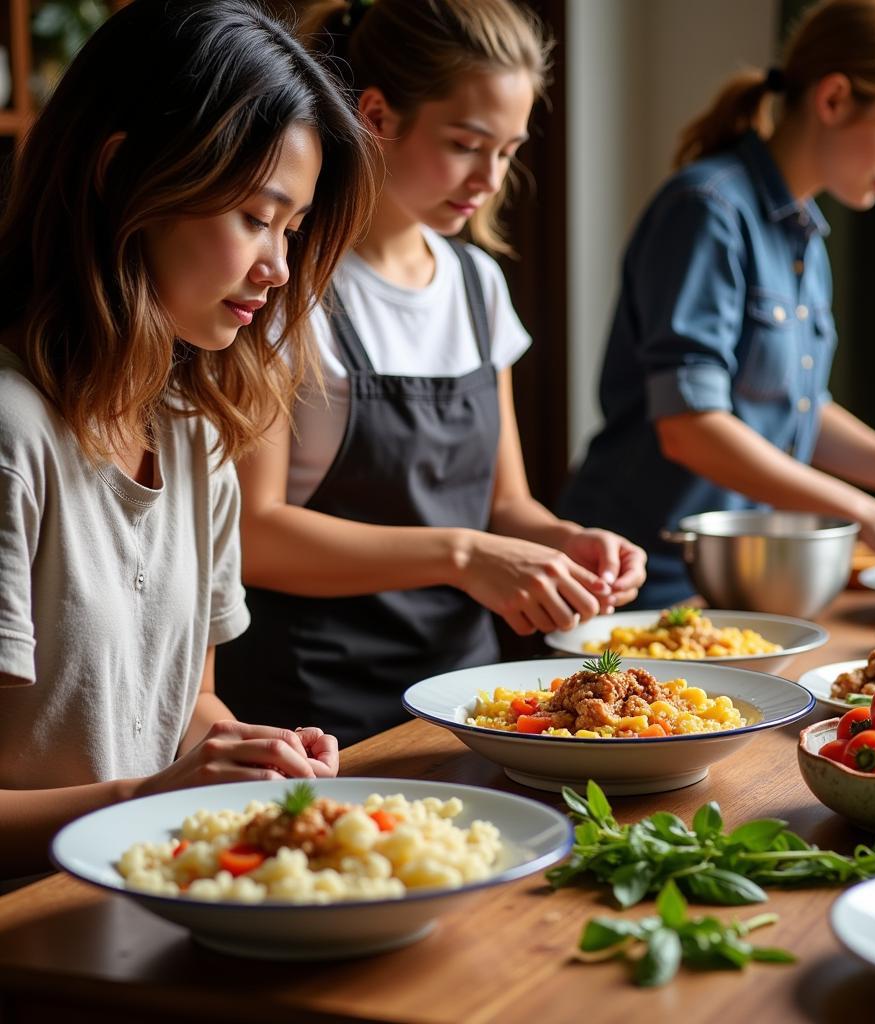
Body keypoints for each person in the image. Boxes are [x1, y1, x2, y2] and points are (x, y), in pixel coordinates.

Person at [0, 0, 375, 881]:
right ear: (124, 174)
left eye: (292, 228)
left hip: (152, 916)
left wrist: (245, 750)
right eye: (255, 215)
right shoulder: (14, 436)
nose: (279, 268)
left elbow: (188, 704)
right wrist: (151, 797)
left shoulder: (197, 434)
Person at [216, 0, 646, 746]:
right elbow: (255, 534)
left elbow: (504, 503)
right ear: (377, 115)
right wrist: (463, 555)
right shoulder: (282, 286)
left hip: (466, 698)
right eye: (465, 143)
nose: (489, 177)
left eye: (508, 151)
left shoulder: (477, 285)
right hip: (314, 710)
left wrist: (565, 542)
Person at [559, 0, 875, 610]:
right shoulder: (708, 210)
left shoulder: (802, 232)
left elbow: (799, 408)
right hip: (641, 580)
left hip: (734, 584)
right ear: (833, 99)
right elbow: (691, 428)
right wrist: (864, 512)